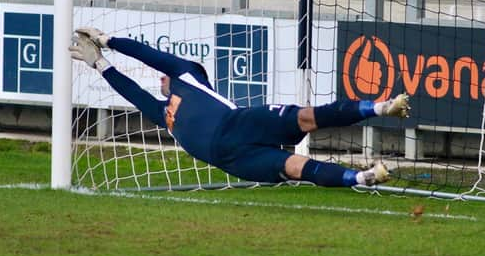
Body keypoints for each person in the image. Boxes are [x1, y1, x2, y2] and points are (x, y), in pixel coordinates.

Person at [69, 27, 411, 187]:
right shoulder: (165, 114)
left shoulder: (187, 75)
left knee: (306, 117)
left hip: (242, 124)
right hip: (233, 160)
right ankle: (361, 178)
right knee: (295, 166)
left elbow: (150, 55)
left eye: (163, 76)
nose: (159, 80)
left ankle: (381, 108)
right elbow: (133, 94)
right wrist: (100, 62)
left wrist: (110, 41)